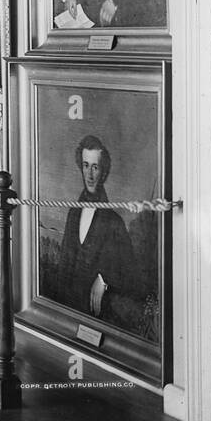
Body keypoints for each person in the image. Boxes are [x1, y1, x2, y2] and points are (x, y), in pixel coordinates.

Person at [44, 135, 143, 329]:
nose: (89, 174)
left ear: (103, 172)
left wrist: (104, 278)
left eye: (95, 167)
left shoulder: (114, 221)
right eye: (85, 165)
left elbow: (132, 276)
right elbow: (64, 267)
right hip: (70, 314)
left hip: (99, 319)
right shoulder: (73, 213)